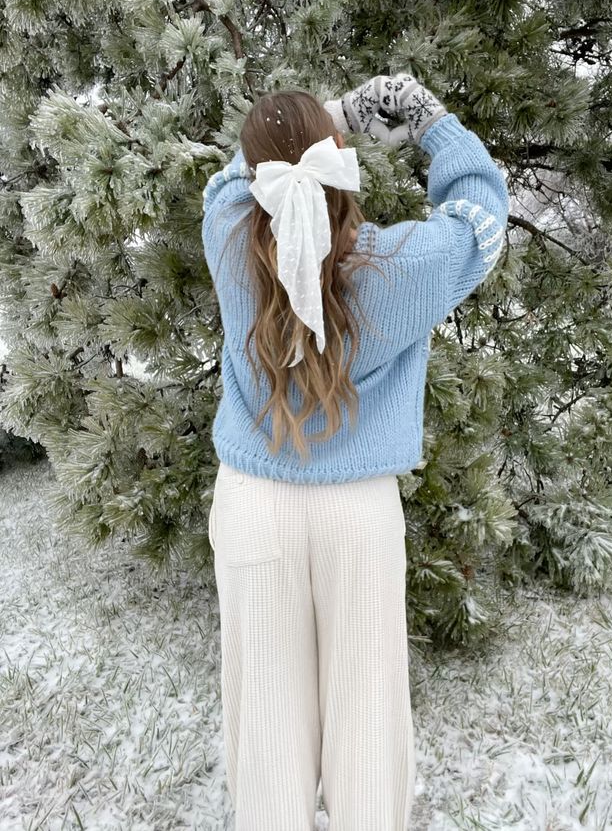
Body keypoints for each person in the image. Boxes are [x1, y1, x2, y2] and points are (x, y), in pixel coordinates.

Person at [201, 73, 510, 830]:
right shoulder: (400, 266)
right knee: (367, 718)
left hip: (252, 504)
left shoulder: (227, 235)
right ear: (340, 160)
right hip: (357, 512)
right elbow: (481, 215)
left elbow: (230, 178)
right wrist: (431, 121)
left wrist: (324, 118)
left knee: (266, 726)